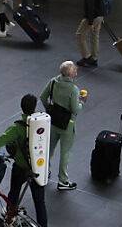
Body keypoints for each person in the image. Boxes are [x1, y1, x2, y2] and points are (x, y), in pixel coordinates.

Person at [0, 94, 47, 227]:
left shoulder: (17, 128)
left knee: (14, 192)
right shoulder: (42, 123)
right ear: (34, 108)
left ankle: (10, 218)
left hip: (21, 167)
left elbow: (1, 140)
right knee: (39, 202)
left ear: (21, 108)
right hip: (38, 168)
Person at [39, 61, 86, 191]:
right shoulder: (73, 89)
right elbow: (75, 109)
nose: (76, 72)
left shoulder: (53, 82)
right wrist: (82, 102)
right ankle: (63, 180)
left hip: (53, 120)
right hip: (67, 124)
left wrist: (49, 109)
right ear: (71, 74)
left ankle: (44, 171)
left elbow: (43, 97)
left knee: (49, 148)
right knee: (65, 152)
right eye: (75, 70)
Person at [76, 0, 105, 68]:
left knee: (80, 35)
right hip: (100, 16)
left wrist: (90, 22)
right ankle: (94, 58)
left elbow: (91, 8)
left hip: (92, 17)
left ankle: (86, 57)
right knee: (95, 36)